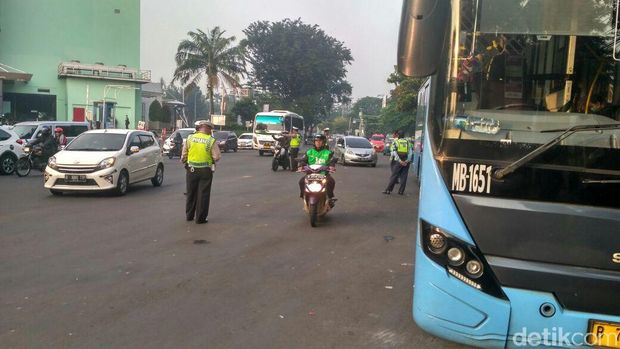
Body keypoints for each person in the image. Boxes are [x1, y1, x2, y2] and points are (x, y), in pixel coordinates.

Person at [181, 120, 221, 224]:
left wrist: (185, 161)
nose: (210, 131)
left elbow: (184, 154)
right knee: (203, 194)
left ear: (199, 128)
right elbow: (216, 157)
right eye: (210, 129)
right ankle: (200, 218)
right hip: (205, 171)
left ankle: (189, 216)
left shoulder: (190, 138)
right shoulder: (210, 140)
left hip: (191, 169)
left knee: (191, 192)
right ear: (207, 128)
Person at [298, 134, 337, 205]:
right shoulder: (309, 152)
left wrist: (332, 166)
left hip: (323, 174)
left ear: (323, 142)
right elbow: (303, 160)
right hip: (310, 174)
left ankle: (330, 198)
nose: (318, 143)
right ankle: (303, 196)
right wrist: (301, 165)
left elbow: (332, 160)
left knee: (331, 182)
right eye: (316, 141)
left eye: (320, 141)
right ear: (314, 142)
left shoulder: (328, 152)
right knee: (301, 181)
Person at [383, 130, 413, 195]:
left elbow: (394, 152)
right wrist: (407, 161)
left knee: (394, 176)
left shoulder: (396, 142)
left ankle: (388, 190)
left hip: (398, 161)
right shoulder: (408, 142)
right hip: (406, 161)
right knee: (404, 176)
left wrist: (399, 161)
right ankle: (401, 191)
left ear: (398, 135)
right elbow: (410, 153)